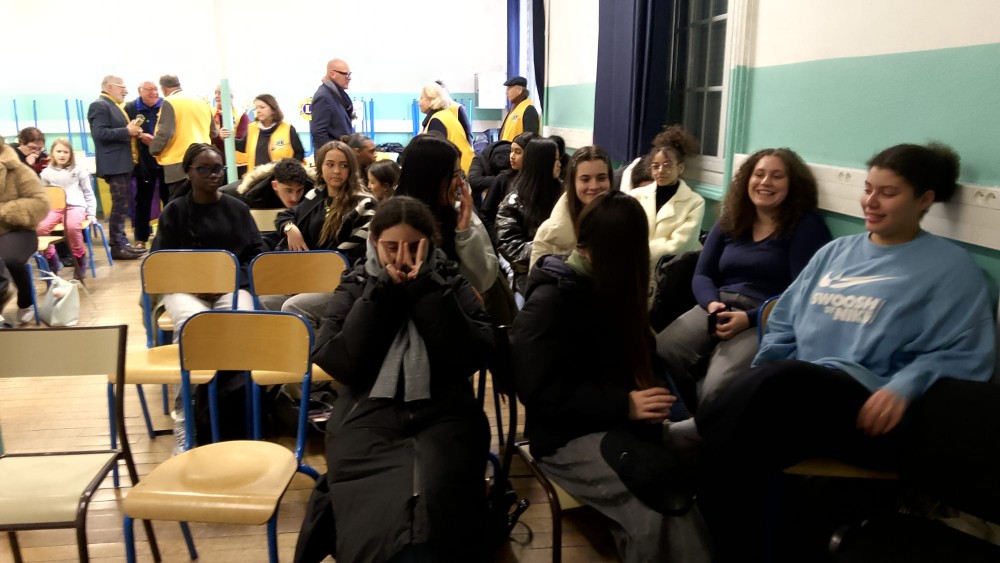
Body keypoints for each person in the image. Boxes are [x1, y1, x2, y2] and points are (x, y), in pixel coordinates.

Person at [696, 143, 997, 562]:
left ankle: (691, 441)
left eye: (887, 193)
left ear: (924, 200)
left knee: (764, 399)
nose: (870, 202)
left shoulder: (951, 269)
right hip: (797, 393)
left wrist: (906, 386)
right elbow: (783, 321)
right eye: (868, 188)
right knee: (740, 459)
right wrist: (764, 370)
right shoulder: (836, 253)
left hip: (872, 406)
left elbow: (968, 354)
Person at [512, 191, 708, 563]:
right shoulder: (551, 303)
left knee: (710, 459)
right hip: (565, 438)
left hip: (620, 426)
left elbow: (646, 361)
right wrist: (624, 405)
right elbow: (539, 394)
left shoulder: (612, 288)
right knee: (660, 508)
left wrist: (659, 407)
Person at [295, 196, 493, 563]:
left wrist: (426, 291)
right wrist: (382, 294)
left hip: (444, 412)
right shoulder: (357, 284)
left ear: (429, 244)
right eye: (391, 247)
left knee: (439, 504)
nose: (402, 258)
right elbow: (341, 362)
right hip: (367, 413)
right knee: (376, 518)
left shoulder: (449, 281)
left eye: (414, 247)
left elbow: (473, 354)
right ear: (374, 242)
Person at [656, 148, 831, 424]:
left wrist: (749, 319)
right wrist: (712, 304)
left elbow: (801, 293)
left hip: (764, 316)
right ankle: (686, 420)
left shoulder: (806, 226)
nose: (765, 182)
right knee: (659, 353)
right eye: (759, 174)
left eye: (777, 176)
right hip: (717, 306)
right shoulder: (732, 219)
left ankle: (701, 433)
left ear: (793, 184)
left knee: (717, 389)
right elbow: (702, 274)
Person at [151, 143, 264, 449]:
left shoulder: (237, 209)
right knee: (194, 326)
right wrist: (192, 285)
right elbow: (160, 262)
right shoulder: (175, 211)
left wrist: (228, 281)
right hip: (185, 289)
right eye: (204, 169)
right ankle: (185, 418)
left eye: (217, 169)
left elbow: (255, 257)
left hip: (230, 286)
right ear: (188, 172)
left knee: (240, 322)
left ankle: (235, 413)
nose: (213, 175)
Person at [270, 140, 376, 324]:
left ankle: (317, 343)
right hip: (306, 277)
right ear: (320, 167)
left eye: (343, 165)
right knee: (265, 300)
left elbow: (355, 256)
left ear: (351, 169)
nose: (336, 171)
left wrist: (310, 279)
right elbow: (286, 215)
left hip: (343, 283)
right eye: (330, 164)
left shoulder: (365, 204)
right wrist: (290, 228)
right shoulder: (315, 195)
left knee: (293, 306)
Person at [393, 134, 499, 295]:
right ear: (431, 178)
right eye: (454, 175)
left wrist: (465, 233)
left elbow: (485, 280)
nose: (461, 183)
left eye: (460, 174)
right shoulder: (392, 221)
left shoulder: (461, 215)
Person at [629, 125, 706, 273]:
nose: (661, 171)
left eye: (667, 165)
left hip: (670, 274)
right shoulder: (635, 196)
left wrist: (640, 252)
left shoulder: (695, 202)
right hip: (634, 270)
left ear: (680, 168)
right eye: (655, 166)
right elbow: (625, 236)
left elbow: (679, 246)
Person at [88, 74, 145, 260]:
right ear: (110, 87)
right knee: (120, 204)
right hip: (114, 165)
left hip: (121, 163)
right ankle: (117, 246)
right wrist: (127, 131)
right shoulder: (99, 105)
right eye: (122, 87)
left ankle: (123, 243)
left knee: (122, 204)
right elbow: (99, 133)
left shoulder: (113, 105)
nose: (125, 91)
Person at [529, 145, 613, 269]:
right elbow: (537, 278)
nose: (594, 186)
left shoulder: (627, 222)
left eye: (601, 178)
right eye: (585, 179)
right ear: (573, 183)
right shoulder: (548, 233)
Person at [496, 137, 563, 292]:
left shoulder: (564, 194)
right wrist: (551, 246)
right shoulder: (513, 202)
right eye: (555, 160)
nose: (560, 164)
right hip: (529, 280)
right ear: (542, 163)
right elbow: (512, 249)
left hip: (563, 275)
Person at [0, 137, 48, 327]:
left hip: (19, 229)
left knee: (9, 258)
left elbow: (41, 204)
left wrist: (4, 211)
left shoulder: (18, 170)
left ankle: (25, 299)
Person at [150, 74, 218, 199]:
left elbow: (165, 133)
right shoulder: (201, 101)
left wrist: (153, 149)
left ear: (163, 89)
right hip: (204, 159)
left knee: (180, 203)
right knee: (202, 200)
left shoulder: (170, 102)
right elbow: (214, 132)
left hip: (179, 163)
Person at [37, 139, 97, 281]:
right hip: (54, 208)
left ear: (71, 154)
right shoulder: (46, 173)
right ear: (52, 153)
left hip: (75, 206)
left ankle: (79, 259)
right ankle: (52, 260)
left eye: (66, 152)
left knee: (72, 226)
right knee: (41, 228)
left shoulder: (79, 170)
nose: (62, 155)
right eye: (59, 151)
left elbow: (88, 193)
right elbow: (43, 195)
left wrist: (91, 212)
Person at [125, 80, 167, 250]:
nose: (154, 92)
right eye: (149, 89)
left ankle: (169, 236)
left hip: (165, 160)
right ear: (140, 91)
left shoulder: (166, 105)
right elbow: (126, 129)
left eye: (156, 89)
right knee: (142, 201)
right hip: (143, 162)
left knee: (169, 199)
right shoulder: (130, 108)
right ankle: (140, 238)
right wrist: (140, 135)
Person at [226, 94, 304, 174]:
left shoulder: (288, 129)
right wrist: (227, 137)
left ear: (273, 109)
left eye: (262, 107)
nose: (258, 111)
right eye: (256, 108)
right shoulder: (252, 128)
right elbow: (243, 146)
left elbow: (299, 153)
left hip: (281, 177)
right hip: (256, 177)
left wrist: (290, 172)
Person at [482, 132, 536, 239]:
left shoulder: (537, 182)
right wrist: (497, 239)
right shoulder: (503, 179)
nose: (512, 156)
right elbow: (486, 214)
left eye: (518, 152)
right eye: (511, 151)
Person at [417, 82, 474, 174]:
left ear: (432, 100)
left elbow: (435, 157)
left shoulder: (437, 120)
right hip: (461, 170)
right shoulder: (444, 115)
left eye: (422, 98)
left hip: (457, 172)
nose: (419, 101)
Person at [310, 58, 354, 153]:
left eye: (349, 74)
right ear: (332, 74)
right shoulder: (324, 97)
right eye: (346, 74)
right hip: (332, 157)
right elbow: (319, 133)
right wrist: (333, 155)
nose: (349, 78)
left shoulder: (337, 95)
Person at [212, 85, 250, 177]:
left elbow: (241, 139)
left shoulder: (241, 115)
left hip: (238, 165)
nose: (216, 96)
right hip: (216, 162)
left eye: (220, 93)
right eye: (215, 93)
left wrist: (226, 138)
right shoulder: (211, 114)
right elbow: (208, 137)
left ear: (231, 96)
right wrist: (219, 137)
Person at [468, 139, 511, 209]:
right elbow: (473, 180)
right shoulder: (480, 159)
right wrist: (500, 180)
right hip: (482, 205)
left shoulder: (515, 158)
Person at [499, 76, 540, 141]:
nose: (506, 92)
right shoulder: (514, 108)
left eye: (509, 89)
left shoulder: (529, 110)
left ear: (519, 90)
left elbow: (530, 139)